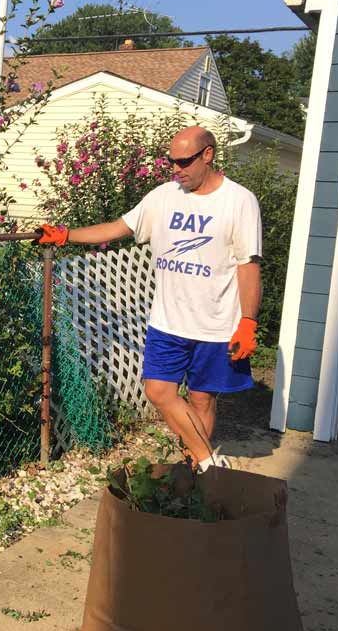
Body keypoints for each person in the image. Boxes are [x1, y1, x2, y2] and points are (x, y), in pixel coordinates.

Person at [38, 126, 262, 471]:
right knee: (158, 391)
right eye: (171, 161)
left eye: (184, 161)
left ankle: (194, 469)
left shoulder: (239, 200)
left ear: (208, 155)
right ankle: (209, 462)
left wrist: (248, 322)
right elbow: (118, 228)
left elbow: (248, 266)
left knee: (202, 398)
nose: (176, 169)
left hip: (217, 323)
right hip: (168, 321)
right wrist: (67, 235)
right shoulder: (163, 196)